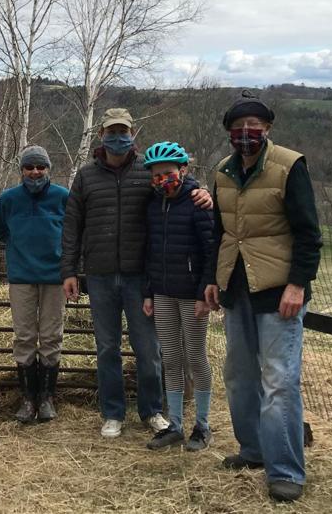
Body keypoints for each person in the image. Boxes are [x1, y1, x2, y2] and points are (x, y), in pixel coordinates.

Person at [61, 108, 212, 439]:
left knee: (148, 348)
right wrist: (69, 269)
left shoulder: (148, 171)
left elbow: (177, 188)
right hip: (99, 275)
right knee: (106, 347)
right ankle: (113, 413)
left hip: (140, 276)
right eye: (111, 132)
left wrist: (201, 190)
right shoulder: (86, 176)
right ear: (101, 135)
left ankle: (152, 410)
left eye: (123, 131)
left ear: (133, 135)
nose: (118, 138)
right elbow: (72, 224)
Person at [203, 92, 322, 502]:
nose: (246, 134)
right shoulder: (222, 171)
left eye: (255, 126)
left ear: (268, 129)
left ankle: (286, 469)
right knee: (239, 377)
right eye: (238, 128)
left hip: (278, 291)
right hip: (236, 288)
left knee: (279, 382)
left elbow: (309, 233)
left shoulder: (290, 166)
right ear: (229, 133)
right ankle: (252, 450)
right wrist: (212, 278)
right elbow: (218, 232)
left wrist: (298, 284)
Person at [138, 142, 216, 452]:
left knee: (196, 358)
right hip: (163, 292)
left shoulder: (198, 203)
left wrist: (204, 292)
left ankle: (203, 424)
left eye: (168, 173)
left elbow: (211, 251)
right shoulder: (154, 206)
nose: (162, 180)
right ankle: (176, 424)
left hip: (192, 295)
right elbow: (150, 251)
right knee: (170, 359)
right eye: (156, 175)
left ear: (183, 170)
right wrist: (148, 292)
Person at [0, 145, 69, 423]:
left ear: (48, 169)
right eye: (29, 167)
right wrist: (17, 244)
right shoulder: (9, 199)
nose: (35, 172)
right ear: (21, 170)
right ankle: (27, 398)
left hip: (54, 277)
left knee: (50, 335)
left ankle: (46, 398)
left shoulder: (62, 197)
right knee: (23, 335)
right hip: (21, 276)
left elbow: (73, 230)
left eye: (40, 167)